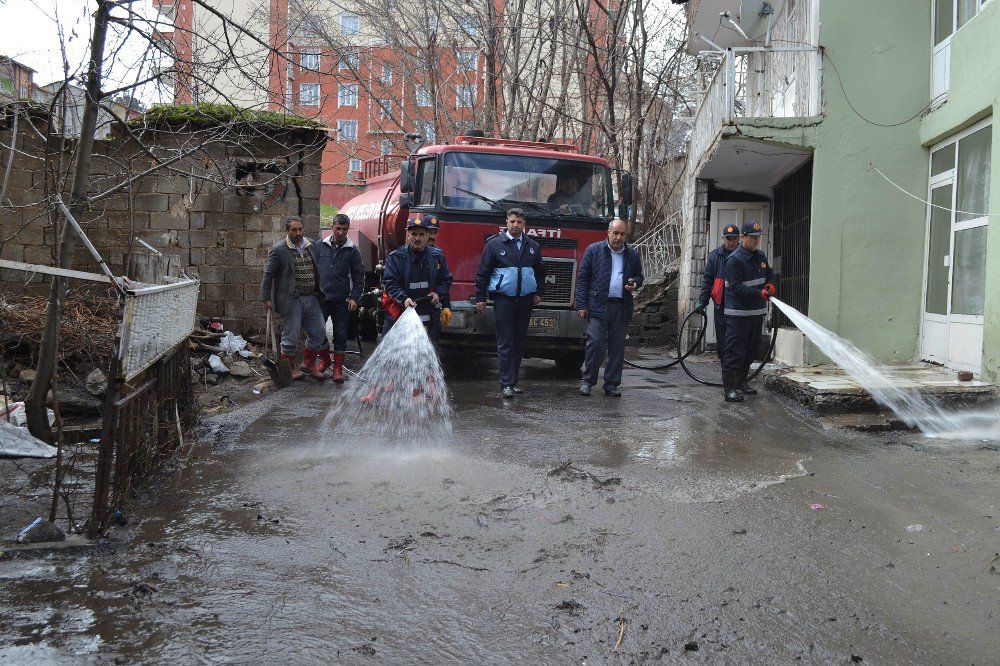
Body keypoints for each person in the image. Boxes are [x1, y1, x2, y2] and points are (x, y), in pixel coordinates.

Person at [475, 208, 546, 399]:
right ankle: (505, 383)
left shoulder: (532, 246)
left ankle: (514, 382)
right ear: (506, 222)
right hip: (503, 300)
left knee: (519, 342)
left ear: (525, 224)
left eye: (519, 222)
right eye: (512, 221)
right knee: (505, 342)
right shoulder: (494, 244)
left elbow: (540, 271)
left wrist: (539, 292)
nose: (515, 225)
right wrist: (481, 297)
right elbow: (483, 272)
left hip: (525, 300)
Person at [575, 219, 644, 397]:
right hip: (598, 305)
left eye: (622, 234)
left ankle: (611, 384)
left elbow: (639, 276)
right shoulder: (594, 250)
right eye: (615, 233)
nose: (618, 237)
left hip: (621, 306)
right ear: (608, 233)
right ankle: (587, 381)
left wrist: (635, 283)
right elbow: (583, 279)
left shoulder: (632, 255)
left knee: (617, 347)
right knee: (596, 343)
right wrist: (581, 304)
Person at [260, 216, 328, 381]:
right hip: (292, 300)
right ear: (287, 231)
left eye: (300, 229)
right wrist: (265, 298)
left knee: (319, 333)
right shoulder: (279, 250)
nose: (298, 233)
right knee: (290, 337)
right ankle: (288, 369)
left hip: (312, 298)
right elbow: (268, 276)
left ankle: (308, 364)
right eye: (294, 230)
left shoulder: (311, 245)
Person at [721, 220, 776, 403]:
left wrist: (770, 284)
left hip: (755, 314)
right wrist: (758, 293)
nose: (756, 241)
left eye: (758, 237)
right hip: (737, 315)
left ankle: (741, 381)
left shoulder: (760, 256)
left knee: (751, 350)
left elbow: (768, 273)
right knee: (734, 351)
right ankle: (729, 388)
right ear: (743, 237)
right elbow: (736, 288)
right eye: (753, 237)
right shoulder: (734, 260)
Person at [381, 216, 453, 344]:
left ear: (427, 236)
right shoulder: (396, 257)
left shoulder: (437, 256)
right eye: (413, 234)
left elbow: (446, 280)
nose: (417, 238)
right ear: (408, 235)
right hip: (401, 313)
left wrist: (438, 294)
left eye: (421, 234)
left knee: (427, 353)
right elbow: (390, 283)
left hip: (429, 316)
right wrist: (403, 298)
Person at [316, 213, 365, 382]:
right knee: (317, 330)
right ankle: (324, 360)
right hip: (321, 298)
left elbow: (359, 276)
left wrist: (355, 297)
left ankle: (337, 369)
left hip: (341, 300)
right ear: (332, 228)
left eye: (344, 229)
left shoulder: (353, 250)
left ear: (348, 229)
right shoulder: (320, 246)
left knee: (340, 333)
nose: (341, 232)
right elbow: (313, 270)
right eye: (338, 228)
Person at [695, 224, 741, 362]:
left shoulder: (743, 256)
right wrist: (702, 301)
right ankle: (727, 375)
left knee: (738, 342)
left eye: (733, 238)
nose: (730, 241)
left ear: (739, 239)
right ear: (723, 238)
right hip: (721, 306)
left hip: (739, 307)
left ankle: (738, 376)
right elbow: (707, 281)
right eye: (728, 238)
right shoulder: (715, 256)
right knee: (723, 342)